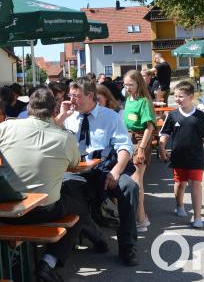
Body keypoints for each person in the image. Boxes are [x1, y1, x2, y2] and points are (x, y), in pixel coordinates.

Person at [0, 88, 84, 281]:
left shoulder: (6, 127)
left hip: (7, 210)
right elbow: (75, 163)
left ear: (29, 107)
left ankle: (18, 261)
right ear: (54, 109)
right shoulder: (65, 137)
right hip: (44, 210)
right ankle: (48, 261)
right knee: (79, 209)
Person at [55, 78, 140, 267]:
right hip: (76, 171)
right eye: (70, 96)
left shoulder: (109, 116)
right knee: (67, 192)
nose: (71, 100)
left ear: (90, 96)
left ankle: (127, 245)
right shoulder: (67, 117)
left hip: (104, 169)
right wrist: (60, 120)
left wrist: (117, 171)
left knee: (129, 187)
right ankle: (94, 234)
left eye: (76, 96)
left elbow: (125, 147)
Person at [158, 81, 204, 228]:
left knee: (196, 184)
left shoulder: (200, 116)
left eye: (181, 96)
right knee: (180, 184)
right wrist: (162, 145)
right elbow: (164, 132)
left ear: (191, 96)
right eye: (175, 96)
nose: (177, 99)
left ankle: (197, 218)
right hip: (178, 156)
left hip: (196, 157)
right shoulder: (172, 115)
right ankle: (180, 205)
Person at [121, 70, 156, 233]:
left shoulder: (144, 101)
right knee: (134, 180)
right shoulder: (128, 99)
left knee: (136, 181)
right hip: (129, 139)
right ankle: (142, 217)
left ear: (138, 84)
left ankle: (141, 219)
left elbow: (150, 127)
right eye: (125, 84)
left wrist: (141, 148)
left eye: (131, 84)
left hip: (141, 139)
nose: (127, 87)